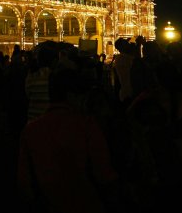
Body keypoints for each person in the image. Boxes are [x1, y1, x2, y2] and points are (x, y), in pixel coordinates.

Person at [17, 68, 120, 213]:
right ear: (71, 96)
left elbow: (24, 182)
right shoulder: (86, 125)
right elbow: (104, 173)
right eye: (81, 94)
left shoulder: (30, 130)